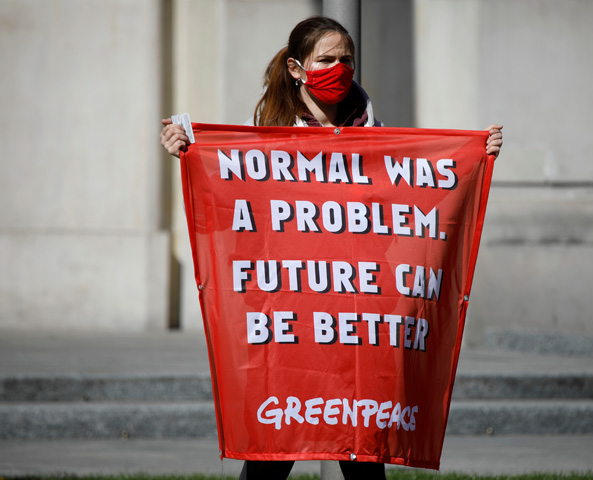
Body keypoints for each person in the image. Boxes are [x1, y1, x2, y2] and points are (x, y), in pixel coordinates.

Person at [160, 15, 502, 480]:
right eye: (327, 60)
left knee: (361, 450)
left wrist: (476, 155)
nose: (339, 68)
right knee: (273, 453)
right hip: (287, 309)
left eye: (347, 60)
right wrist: (186, 150)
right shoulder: (261, 132)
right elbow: (224, 201)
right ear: (299, 69)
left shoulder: (377, 136)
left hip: (356, 313)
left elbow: (420, 196)